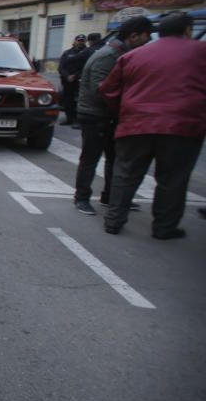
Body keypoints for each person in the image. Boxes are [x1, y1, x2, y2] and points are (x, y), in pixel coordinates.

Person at [100, 12, 206, 239]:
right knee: (173, 179)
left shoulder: (132, 56)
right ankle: (164, 227)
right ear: (187, 30)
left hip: (136, 123)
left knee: (125, 174)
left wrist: (125, 112)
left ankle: (113, 221)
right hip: (182, 126)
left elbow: (109, 89)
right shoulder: (200, 52)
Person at [73, 17, 153, 216]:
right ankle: (82, 198)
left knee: (114, 158)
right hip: (95, 115)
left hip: (111, 115)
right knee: (90, 159)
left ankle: (110, 196)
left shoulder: (122, 54)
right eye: (146, 36)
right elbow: (99, 90)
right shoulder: (108, 56)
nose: (148, 41)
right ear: (134, 36)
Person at [58, 34, 88, 127]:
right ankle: (69, 119)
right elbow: (61, 67)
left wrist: (75, 76)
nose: (80, 42)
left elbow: (86, 68)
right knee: (67, 101)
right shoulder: (67, 53)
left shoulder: (86, 53)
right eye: (79, 40)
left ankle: (77, 120)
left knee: (78, 101)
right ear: (75, 41)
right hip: (67, 82)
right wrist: (67, 76)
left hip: (79, 81)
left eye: (82, 40)